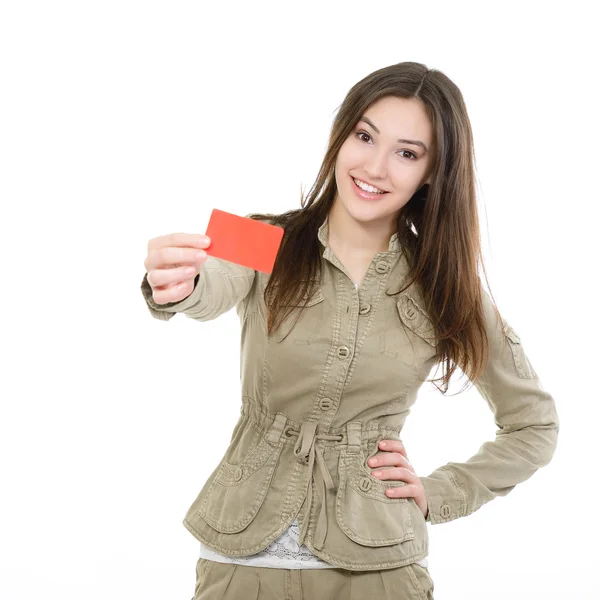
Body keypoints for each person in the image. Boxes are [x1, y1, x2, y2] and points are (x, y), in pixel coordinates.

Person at [140, 61, 559, 600]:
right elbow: (208, 283)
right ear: (341, 136)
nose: (376, 167)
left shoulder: (446, 285)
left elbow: (534, 425)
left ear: (432, 172)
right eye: (365, 136)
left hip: (379, 570)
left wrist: (440, 492)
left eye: (407, 153)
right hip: (240, 560)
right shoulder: (259, 236)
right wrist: (176, 285)